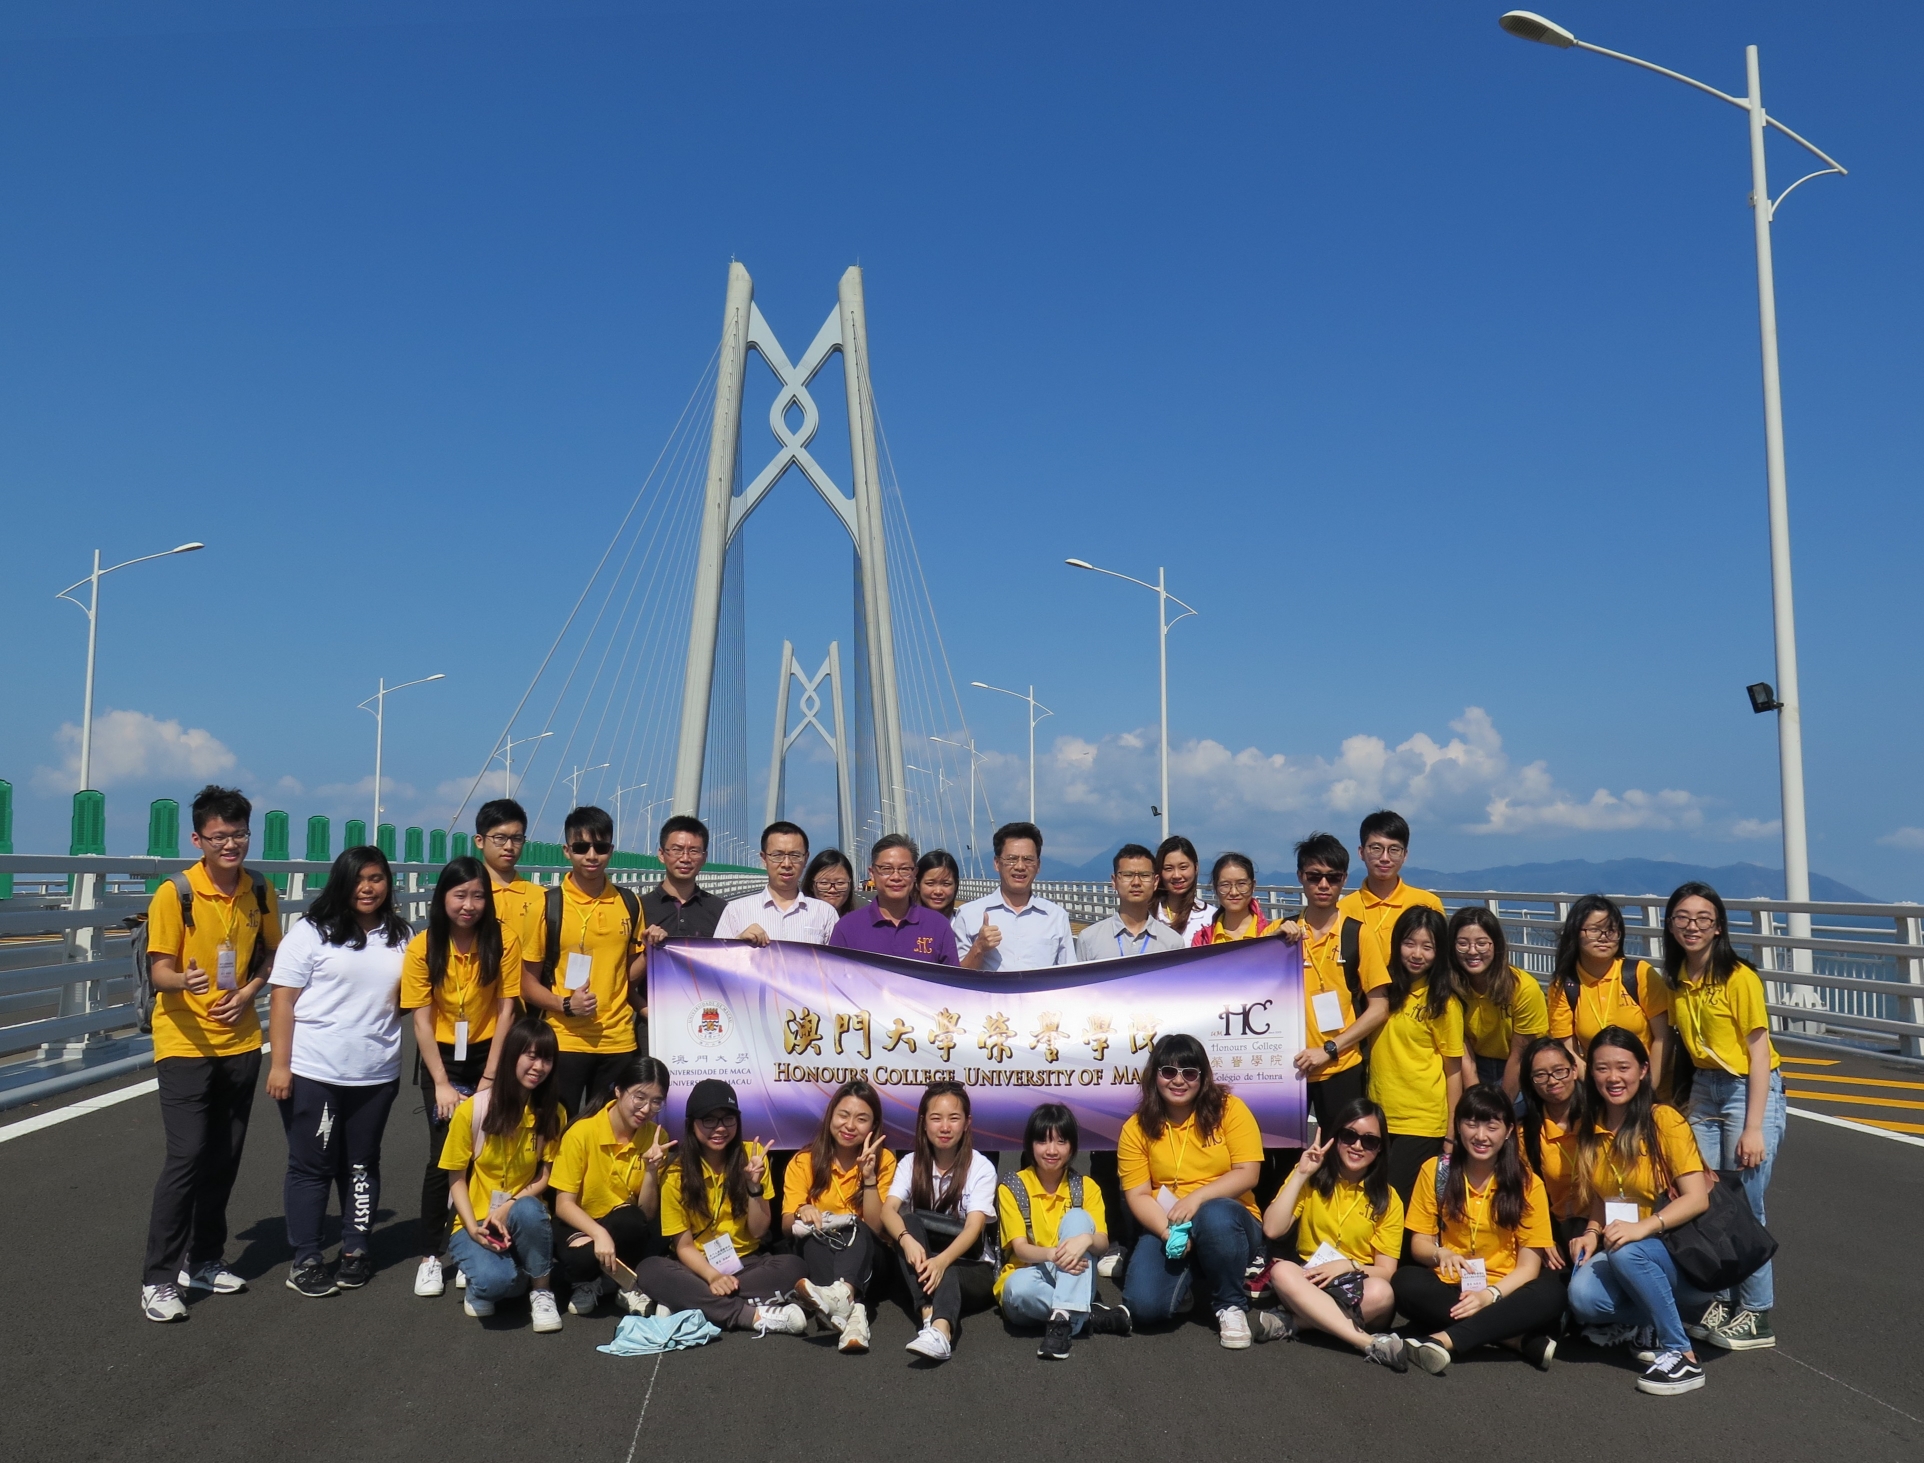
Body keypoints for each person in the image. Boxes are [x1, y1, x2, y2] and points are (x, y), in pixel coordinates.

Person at [138, 784, 280, 1322]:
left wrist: (249, 992)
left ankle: (203, 1259)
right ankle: (158, 1279)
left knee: (224, 1154)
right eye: (219, 836)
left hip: (240, 1039)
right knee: (187, 1155)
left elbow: (272, 955)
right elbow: (159, 971)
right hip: (184, 1042)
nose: (230, 845)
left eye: (238, 834)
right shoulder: (175, 893)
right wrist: (185, 981)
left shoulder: (259, 889)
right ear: (197, 839)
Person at [267, 845, 409, 1298]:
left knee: (362, 1164)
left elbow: (412, 997)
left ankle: (355, 1248)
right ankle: (306, 1257)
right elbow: (282, 1000)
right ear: (341, 883)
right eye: (358, 879)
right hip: (316, 1070)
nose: (367, 888)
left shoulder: (401, 935)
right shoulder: (311, 932)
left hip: (376, 1072)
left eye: (376, 879)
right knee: (312, 1165)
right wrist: (280, 1066)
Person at [1663, 881, 1786, 1353]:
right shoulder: (1678, 978)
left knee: (1746, 1203)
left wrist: (1754, 1126)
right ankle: (1721, 1299)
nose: (1692, 926)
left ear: (1718, 927)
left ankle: (1757, 1312)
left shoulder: (1738, 977)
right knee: (1708, 1198)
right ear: (1670, 925)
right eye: (1682, 918)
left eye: (1703, 919)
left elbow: (1759, 1053)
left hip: (1744, 1089)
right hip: (1704, 1089)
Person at [1564, 1026, 1714, 1395]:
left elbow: (1698, 1198)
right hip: (1628, 1247)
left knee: (1627, 1251)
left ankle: (1681, 1354)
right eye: (1602, 1068)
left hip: (1681, 1253)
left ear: (1643, 1070)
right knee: (1583, 1297)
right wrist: (1591, 1231)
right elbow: (1605, 1193)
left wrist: (1644, 1227)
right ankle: (1653, 1317)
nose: (1613, 1078)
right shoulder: (1592, 1125)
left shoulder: (1663, 1120)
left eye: (1623, 1067)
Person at [401, 855, 523, 1299]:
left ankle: (476, 1245)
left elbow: (507, 1009)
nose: (469, 905)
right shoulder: (423, 946)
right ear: (442, 898)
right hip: (443, 1060)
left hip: (490, 1054)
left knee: (487, 1152)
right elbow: (421, 1019)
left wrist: (490, 1078)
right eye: (459, 895)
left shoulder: (503, 941)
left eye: (477, 896)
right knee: (444, 1157)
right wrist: (440, 1084)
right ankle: (430, 1255)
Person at [1395, 1085, 1563, 1378]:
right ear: (1458, 1126)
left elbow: (1528, 1267)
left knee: (1553, 1293)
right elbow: (1419, 1243)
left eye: (1492, 1126)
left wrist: (1490, 1295)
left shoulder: (1527, 1183)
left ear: (1508, 1131)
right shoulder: (1436, 1170)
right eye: (1471, 1124)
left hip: (1505, 1290)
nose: (1481, 1136)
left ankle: (1443, 1340)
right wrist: (1440, 1253)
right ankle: (1513, 1338)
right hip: (1451, 1286)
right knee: (1405, 1281)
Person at [1116, 1034, 1271, 1349]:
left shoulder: (1230, 1109)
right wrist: (1166, 1234)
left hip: (1230, 1219)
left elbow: (1248, 1173)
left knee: (1214, 1214)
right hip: (1171, 1224)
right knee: (1144, 1307)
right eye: (1168, 1071)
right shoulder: (1136, 1127)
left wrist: (1196, 1198)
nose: (1178, 1080)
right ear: (1154, 1075)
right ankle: (1190, 1280)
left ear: (1203, 1076)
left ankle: (1230, 1305)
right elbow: (1138, 1195)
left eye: (1189, 1072)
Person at [634, 1079, 811, 1333]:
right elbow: (684, 1246)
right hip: (695, 1266)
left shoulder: (753, 1157)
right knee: (650, 1269)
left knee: (794, 1267)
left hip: (746, 1263)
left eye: (728, 1119)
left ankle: (688, 1302)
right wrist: (713, 1276)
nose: (720, 1128)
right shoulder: (675, 1173)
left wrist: (753, 1186)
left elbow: (759, 1231)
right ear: (692, 1124)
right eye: (709, 1120)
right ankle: (750, 1315)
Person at [440, 1016, 567, 1331]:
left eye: (547, 1059)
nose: (538, 1067)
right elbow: (456, 1178)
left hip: (520, 1214)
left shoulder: (553, 1113)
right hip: (475, 1219)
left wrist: (510, 1205)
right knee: (499, 1284)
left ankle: (542, 1291)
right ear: (512, 1056)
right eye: (531, 1056)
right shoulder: (474, 1110)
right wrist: (473, 1229)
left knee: (529, 1208)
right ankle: (485, 1277)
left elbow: (545, 1176)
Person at [1260, 1097, 1406, 1369]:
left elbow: (1386, 1270)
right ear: (1336, 1137)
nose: (1357, 1146)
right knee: (1281, 1271)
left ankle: (1296, 1322)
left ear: (1379, 1149)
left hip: (1356, 1281)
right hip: (1310, 1276)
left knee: (1383, 1293)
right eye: (1349, 1136)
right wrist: (1300, 1174)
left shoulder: (1389, 1199)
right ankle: (1365, 1342)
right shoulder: (1312, 1178)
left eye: (1369, 1141)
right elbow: (1272, 1228)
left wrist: (1347, 1265)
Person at [522, 806, 646, 1117]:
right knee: (553, 1129)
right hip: (564, 1040)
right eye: (581, 847)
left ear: (611, 850)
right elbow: (527, 984)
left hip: (618, 1040)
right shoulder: (546, 906)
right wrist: (566, 1005)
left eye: (600, 847)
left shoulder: (629, 903)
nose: (592, 855)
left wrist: (654, 951)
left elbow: (628, 973)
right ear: (567, 851)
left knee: (608, 1132)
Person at [996, 1103, 1131, 1359]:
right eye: (1043, 1141)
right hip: (1032, 1273)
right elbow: (1020, 1249)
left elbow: (1102, 1244)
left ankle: (1061, 1322)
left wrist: (1086, 1239)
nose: (1051, 1150)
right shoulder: (1012, 1186)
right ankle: (1085, 1315)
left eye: (1061, 1141)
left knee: (1078, 1217)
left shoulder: (1087, 1187)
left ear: (1072, 1146)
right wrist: (1054, 1255)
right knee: (1016, 1290)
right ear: (1030, 1145)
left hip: (1074, 1274)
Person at [883, 1081, 1000, 1362]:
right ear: (923, 1123)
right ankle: (928, 1315)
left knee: (947, 1270)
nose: (945, 1127)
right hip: (925, 1263)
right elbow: (888, 1211)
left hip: (972, 1267)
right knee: (908, 1222)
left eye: (954, 1118)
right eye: (936, 1118)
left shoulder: (981, 1167)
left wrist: (941, 1261)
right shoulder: (910, 1163)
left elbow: (974, 1227)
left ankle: (941, 1332)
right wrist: (906, 1241)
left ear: (967, 1123)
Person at [550, 1055, 674, 1316]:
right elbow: (563, 1205)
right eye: (639, 1097)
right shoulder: (581, 1133)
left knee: (632, 1221)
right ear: (618, 1090)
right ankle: (596, 1281)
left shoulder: (656, 1137)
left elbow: (647, 1213)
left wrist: (651, 1171)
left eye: (656, 1101)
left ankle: (615, 1283)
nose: (646, 1109)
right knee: (580, 1259)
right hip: (579, 1222)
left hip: (622, 1224)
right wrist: (598, 1233)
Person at [781, 1078, 897, 1354]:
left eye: (861, 1119)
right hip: (823, 1252)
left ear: (873, 1125)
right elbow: (786, 1226)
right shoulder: (803, 1161)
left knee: (857, 1226)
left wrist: (869, 1178)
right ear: (830, 1115)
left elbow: (876, 1227)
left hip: (872, 1262)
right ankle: (852, 1308)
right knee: (811, 1237)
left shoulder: (885, 1161)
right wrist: (801, 1211)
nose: (850, 1125)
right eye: (843, 1115)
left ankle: (840, 1298)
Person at [1288, 832, 1387, 1135]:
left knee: (1343, 1150)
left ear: (1344, 879)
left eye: (1332, 877)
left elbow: (1379, 1007)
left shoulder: (1358, 934)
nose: (1323, 885)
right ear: (1300, 877)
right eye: (1314, 876)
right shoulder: (1281, 934)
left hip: (1341, 1065)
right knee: (1283, 1156)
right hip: (1289, 1067)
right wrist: (1271, 943)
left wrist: (1329, 1049)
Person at [1366, 905, 1465, 1207]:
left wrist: (1451, 1133)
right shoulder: (1380, 992)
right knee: (1376, 1199)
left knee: (1394, 1202)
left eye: (1428, 947)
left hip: (1421, 1121)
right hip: (1379, 1115)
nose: (1417, 954)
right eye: (1409, 943)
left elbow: (1454, 1071)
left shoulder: (1443, 1002)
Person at [1546, 893, 1672, 1088]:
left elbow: (1664, 1037)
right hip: (1600, 1087)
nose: (1604, 937)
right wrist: (1600, 1088)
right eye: (1594, 930)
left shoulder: (1639, 974)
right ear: (1575, 933)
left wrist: (1648, 1090)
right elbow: (1567, 1049)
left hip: (1649, 1086)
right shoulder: (1564, 985)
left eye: (1611, 930)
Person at [1336, 810, 1444, 992]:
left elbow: (1441, 961)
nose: (1384, 858)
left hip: (1416, 1002)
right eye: (1376, 848)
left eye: (1394, 850)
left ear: (1405, 855)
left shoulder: (1428, 903)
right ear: (1361, 852)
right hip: (1363, 1002)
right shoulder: (1343, 909)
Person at [1448, 906, 1548, 1101]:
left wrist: (1503, 1107)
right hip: (1474, 1063)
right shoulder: (1449, 987)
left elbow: (1520, 1055)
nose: (1472, 951)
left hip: (1521, 1065)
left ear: (1496, 945)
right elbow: (1463, 1052)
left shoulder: (1523, 988)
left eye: (1482, 944)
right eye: (1462, 944)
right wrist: (1475, 1098)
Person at [955, 821, 1076, 970]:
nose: (1020, 866)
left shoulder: (1056, 916)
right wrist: (978, 947)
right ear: (997, 863)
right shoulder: (968, 914)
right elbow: (957, 977)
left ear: (1038, 865)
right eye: (1011, 859)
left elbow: (1069, 975)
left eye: (1028, 859)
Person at [828, 835, 959, 963]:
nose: (896, 877)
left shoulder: (938, 926)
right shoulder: (847, 927)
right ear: (872, 873)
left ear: (914, 874)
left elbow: (952, 976)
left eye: (904, 869)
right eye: (886, 869)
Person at [1518, 1035, 1589, 1265]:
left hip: (1604, 1227)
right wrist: (1542, 1237)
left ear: (1575, 1070)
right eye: (1540, 1075)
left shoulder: (1599, 1119)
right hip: (1557, 1232)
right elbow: (1525, 1194)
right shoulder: (1526, 1134)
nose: (1552, 1081)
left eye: (1560, 1071)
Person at [716, 820, 838, 946]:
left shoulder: (825, 913)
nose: (786, 864)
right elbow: (716, 956)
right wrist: (737, 943)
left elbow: (838, 958)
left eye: (795, 855)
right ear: (764, 858)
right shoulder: (736, 911)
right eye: (777, 855)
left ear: (806, 858)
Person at [474, 798, 546, 989]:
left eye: (517, 838)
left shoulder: (542, 898)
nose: (509, 846)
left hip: (526, 998)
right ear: (479, 841)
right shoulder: (468, 897)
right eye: (499, 838)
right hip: (477, 996)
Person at [1075, 845, 1185, 961]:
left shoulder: (1173, 943)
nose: (1136, 882)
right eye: (1128, 875)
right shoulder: (1089, 939)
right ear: (1114, 881)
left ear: (1155, 882)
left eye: (1144, 875)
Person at [642, 813, 727, 942]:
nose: (685, 858)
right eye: (677, 850)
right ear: (661, 854)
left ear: (704, 858)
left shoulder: (721, 910)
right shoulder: (640, 908)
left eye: (694, 851)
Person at [1192, 852, 1283, 945]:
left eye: (1241, 884)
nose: (1234, 892)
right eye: (1225, 885)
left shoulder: (1275, 931)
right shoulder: (1202, 939)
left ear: (1253, 886)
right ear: (1215, 888)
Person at [1153, 835, 1216, 944]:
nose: (1176, 875)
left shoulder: (1211, 917)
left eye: (1183, 867)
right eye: (1168, 868)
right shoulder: (1147, 914)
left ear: (1196, 868)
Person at [805, 848, 858, 918]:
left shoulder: (859, 921)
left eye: (840, 883)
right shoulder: (801, 920)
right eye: (824, 883)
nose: (832, 890)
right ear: (811, 885)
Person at [914, 848, 963, 920]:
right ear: (917, 884)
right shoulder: (903, 923)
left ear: (955, 885)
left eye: (946, 884)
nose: (938, 891)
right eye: (930, 883)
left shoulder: (964, 923)